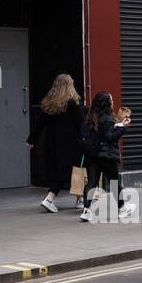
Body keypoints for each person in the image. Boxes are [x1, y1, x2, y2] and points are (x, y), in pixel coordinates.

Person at [26, 74, 85, 213]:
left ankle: (57, 199)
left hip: (52, 143)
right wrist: (85, 140)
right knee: (77, 170)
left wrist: (31, 140)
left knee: (58, 170)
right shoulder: (73, 103)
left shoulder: (49, 103)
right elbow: (80, 125)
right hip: (71, 143)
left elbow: (39, 125)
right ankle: (74, 199)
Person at [80, 92, 134, 222]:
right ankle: (122, 208)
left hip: (93, 155)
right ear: (107, 103)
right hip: (107, 156)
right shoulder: (108, 118)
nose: (113, 102)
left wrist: (118, 125)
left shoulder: (90, 118)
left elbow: (101, 133)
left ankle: (86, 210)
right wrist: (123, 128)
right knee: (115, 183)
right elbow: (109, 136)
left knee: (92, 182)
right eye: (111, 100)